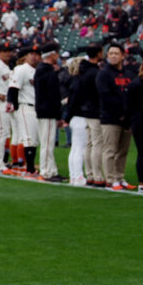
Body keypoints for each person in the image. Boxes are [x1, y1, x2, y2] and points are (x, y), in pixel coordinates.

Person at [94, 44, 133, 187]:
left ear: (123, 55)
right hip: (110, 117)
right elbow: (106, 96)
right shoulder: (103, 74)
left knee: (123, 150)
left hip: (126, 118)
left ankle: (120, 176)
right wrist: (120, 113)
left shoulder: (128, 74)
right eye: (111, 53)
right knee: (110, 150)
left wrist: (127, 114)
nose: (113, 56)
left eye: (116, 53)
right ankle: (110, 179)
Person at [65, 49, 99, 185]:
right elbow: (75, 102)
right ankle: (78, 176)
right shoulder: (78, 81)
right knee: (80, 148)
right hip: (80, 116)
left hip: (75, 117)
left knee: (75, 148)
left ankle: (74, 176)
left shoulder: (74, 81)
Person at [31, 47, 63, 181]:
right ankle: (46, 171)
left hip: (44, 109)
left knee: (47, 142)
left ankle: (52, 169)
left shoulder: (42, 70)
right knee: (47, 143)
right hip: (47, 111)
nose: (58, 56)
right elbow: (53, 95)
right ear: (52, 54)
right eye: (56, 53)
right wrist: (58, 113)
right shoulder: (47, 71)